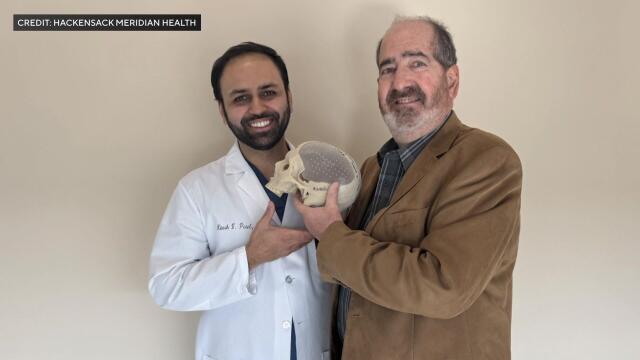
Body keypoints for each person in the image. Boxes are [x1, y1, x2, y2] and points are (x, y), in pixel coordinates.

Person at [294, 16, 523, 360]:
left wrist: (330, 233)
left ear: (452, 80)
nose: (399, 82)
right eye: (387, 69)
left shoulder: (487, 160)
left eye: (417, 63)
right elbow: (356, 276)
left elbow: (444, 285)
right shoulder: (371, 168)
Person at [148, 42, 332, 360]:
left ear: (289, 96)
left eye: (269, 92)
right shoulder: (198, 190)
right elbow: (166, 286)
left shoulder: (329, 177)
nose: (258, 108)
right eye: (241, 98)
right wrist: (249, 258)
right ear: (222, 110)